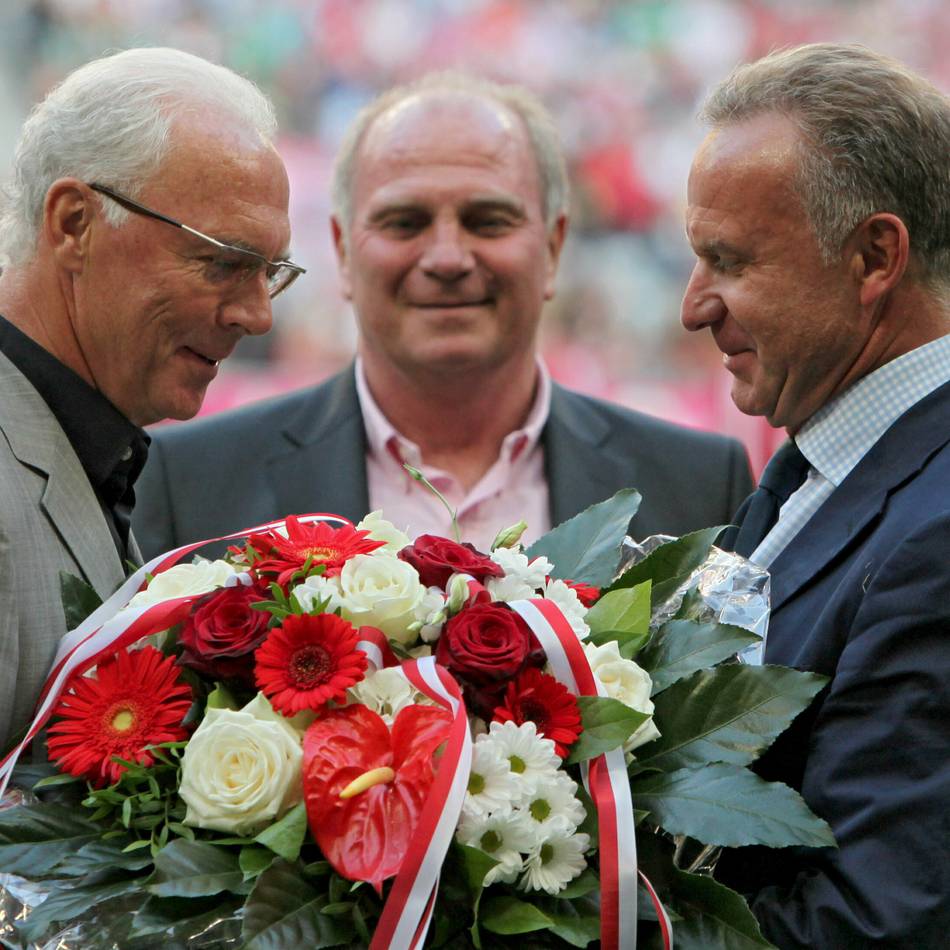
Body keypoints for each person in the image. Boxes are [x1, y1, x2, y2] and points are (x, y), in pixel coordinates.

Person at [133, 72, 752, 560]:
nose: (448, 257)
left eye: (489, 221)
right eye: (405, 222)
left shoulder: (697, 486)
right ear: (345, 251)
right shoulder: (188, 483)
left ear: (555, 247)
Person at [681, 43, 950, 948]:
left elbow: (880, 920)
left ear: (875, 256)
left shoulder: (936, 531)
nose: (693, 305)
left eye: (729, 259)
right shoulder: (825, 459)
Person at [0, 47, 302, 752]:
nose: (257, 316)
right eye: (224, 263)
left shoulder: (82, 437)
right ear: (74, 224)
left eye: (271, 272)